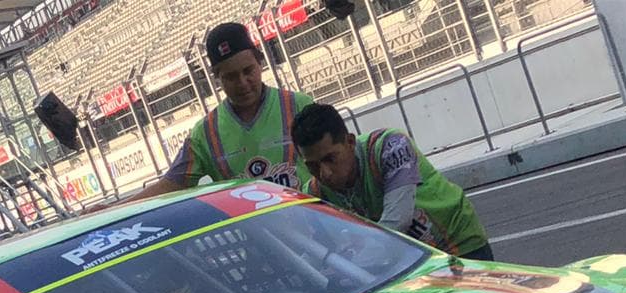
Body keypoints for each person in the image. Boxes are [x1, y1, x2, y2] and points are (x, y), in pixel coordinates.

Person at [290, 103, 493, 261]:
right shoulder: (315, 192)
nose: (324, 173)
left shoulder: (390, 146)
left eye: (330, 159)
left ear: (350, 142)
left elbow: (396, 221)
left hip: (458, 245)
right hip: (414, 260)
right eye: (312, 166)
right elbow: (316, 250)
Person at [132, 22, 313, 199]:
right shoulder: (206, 133)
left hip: (311, 224)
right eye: (231, 77)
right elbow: (172, 183)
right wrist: (114, 208)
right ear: (217, 78)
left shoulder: (298, 106)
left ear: (260, 63)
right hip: (252, 230)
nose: (242, 82)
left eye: (248, 70)